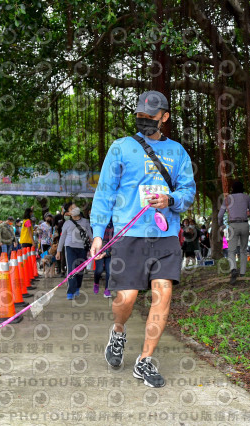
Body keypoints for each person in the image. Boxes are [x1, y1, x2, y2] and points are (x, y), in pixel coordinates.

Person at [90, 90, 196, 388]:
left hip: (164, 235)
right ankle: (119, 332)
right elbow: (105, 193)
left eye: (151, 117)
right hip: (128, 235)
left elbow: (188, 192)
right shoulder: (121, 148)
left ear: (165, 117)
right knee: (126, 298)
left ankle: (145, 361)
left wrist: (170, 198)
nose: (145, 121)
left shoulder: (178, 153)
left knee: (163, 295)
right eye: (140, 116)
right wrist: (98, 234)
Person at [218, 180, 250, 284]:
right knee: (243, 250)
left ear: (232, 188)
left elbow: (220, 215)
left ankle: (233, 269)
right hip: (244, 224)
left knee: (231, 251)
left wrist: (221, 224)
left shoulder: (227, 198)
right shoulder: (247, 197)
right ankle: (242, 273)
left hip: (233, 225)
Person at [56, 203, 92, 300]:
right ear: (68, 213)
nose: (75, 208)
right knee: (71, 270)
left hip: (82, 248)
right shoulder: (67, 223)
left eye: (76, 206)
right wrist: (58, 251)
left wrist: (93, 247)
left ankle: (77, 287)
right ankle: (70, 291)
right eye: (72, 208)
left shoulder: (85, 222)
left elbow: (90, 236)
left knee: (80, 270)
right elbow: (62, 237)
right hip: (70, 247)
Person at [93, 221, 113, 298]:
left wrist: (107, 252)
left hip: (110, 250)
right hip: (99, 250)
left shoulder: (115, 226)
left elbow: (116, 241)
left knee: (110, 271)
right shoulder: (98, 225)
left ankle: (107, 290)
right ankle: (96, 282)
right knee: (99, 270)